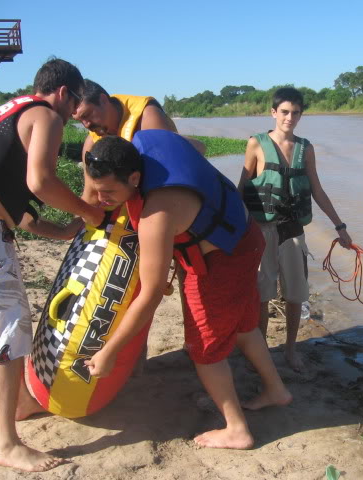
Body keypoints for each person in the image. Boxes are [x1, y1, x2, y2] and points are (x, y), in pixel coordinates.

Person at [82, 130, 292, 450]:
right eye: (97, 191)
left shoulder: (156, 215)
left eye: (109, 191)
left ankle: (237, 429)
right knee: (244, 327)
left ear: (135, 177)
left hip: (221, 262)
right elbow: (199, 145)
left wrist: (109, 352)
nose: (101, 200)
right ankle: (276, 390)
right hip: (247, 238)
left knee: (204, 352)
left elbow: (150, 295)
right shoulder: (148, 145)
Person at [0, 58, 104, 472]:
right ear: (63, 93)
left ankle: (18, 401)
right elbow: (40, 181)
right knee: (6, 325)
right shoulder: (45, 116)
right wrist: (90, 215)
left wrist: (63, 229)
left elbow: (16, 205)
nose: (76, 117)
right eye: (75, 106)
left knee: (3, 318)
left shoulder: (8, 112)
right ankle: (4, 442)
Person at [237, 87, 352, 372]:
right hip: (261, 229)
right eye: (285, 112)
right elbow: (242, 188)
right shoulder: (256, 143)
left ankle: (290, 349)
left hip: (293, 231)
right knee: (262, 294)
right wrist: (234, 229)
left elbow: (317, 190)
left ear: (301, 115)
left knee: (295, 293)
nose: (290, 117)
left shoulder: (306, 148)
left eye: (296, 113)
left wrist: (340, 227)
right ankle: (261, 350)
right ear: (273, 113)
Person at [72, 79, 205, 204]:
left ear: (103, 100)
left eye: (87, 115)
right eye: (80, 120)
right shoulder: (91, 142)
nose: (86, 125)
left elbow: (164, 181)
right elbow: (90, 195)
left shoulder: (147, 117)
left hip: (164, 193)